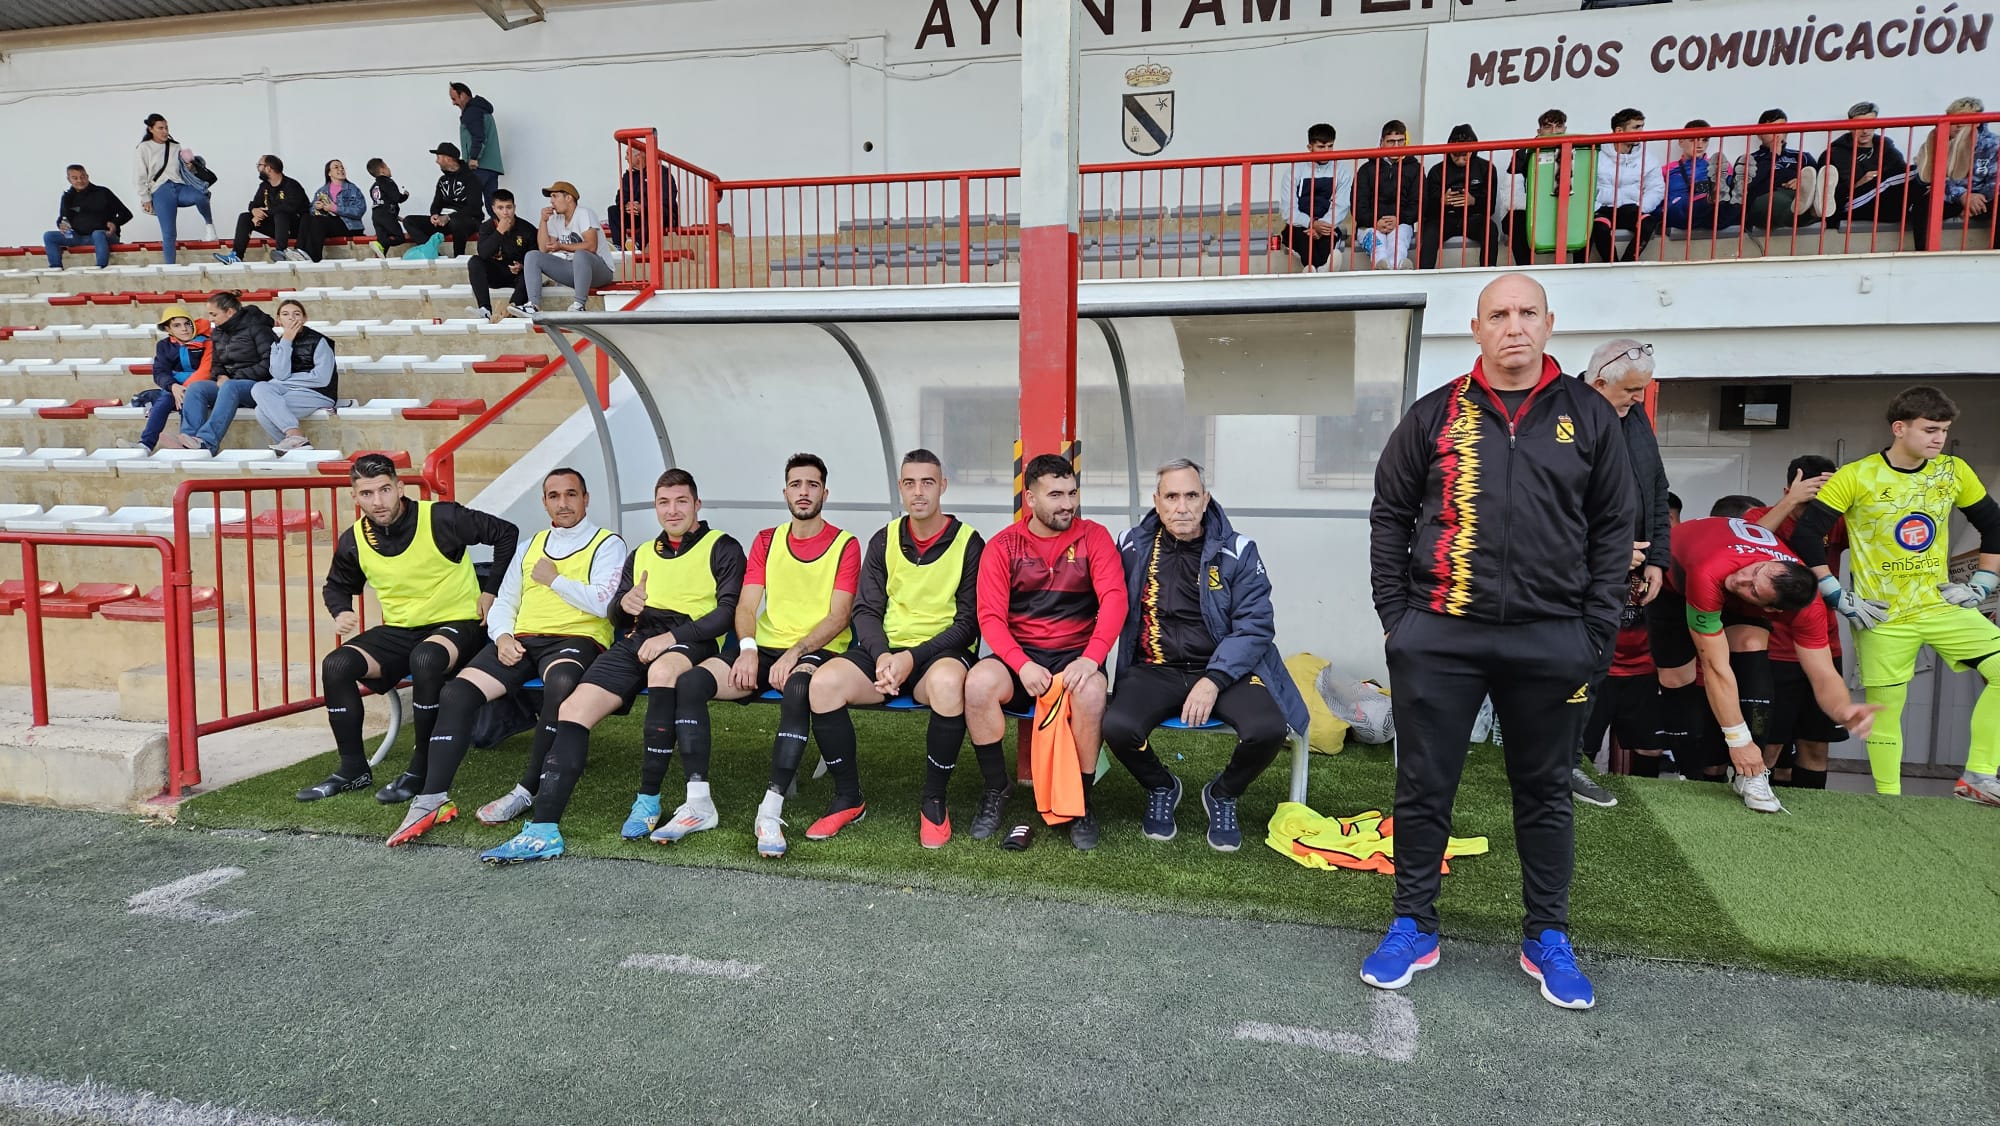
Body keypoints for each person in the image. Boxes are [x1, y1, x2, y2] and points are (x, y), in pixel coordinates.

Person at [1364, 273, 1636, 1010]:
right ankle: (1413, 923)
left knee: (1545, 791)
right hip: (1441, 636)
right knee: (1424, 789)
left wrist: (1595, 630)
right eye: (1498, 315)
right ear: (1476, 329)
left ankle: (1546, 934)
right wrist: (1400, 622)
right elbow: (1389, 515)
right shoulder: (1433, 415)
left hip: (1554, 640)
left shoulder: (1590, 415)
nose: (1513, 326)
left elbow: (1616, 528)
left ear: (1549, 324)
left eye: (1527, 313)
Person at [500, 470, 743, 865]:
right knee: (572, 710)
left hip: (692, 637)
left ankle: (648, 800)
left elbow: (728, 612)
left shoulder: (723, 546)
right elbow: (615, 613)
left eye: (682, 501)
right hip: (638, 638)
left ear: (697, 505)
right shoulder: (643, 552)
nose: (673, 510)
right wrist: (623, 606)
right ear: (656, 507)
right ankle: (543, 829)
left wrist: (673, 637)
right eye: (664, 502)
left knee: (664, 673)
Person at [390, 468, 625, 848]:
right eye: (553, 496)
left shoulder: (607, 543)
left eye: (571, 494)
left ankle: (527, 788)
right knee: (457, 693)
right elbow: (504, 601)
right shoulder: (531, 544)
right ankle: (432, 799)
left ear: (586, 498)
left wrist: (555, 580)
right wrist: (501, 637)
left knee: (561, 685)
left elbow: (603, 604)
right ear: (544, 501)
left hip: (577, 637)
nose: (563, 503)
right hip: (522, 640)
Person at [1790, 386, 2000, 803]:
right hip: (1881, 614)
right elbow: (1806, 534)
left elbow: (1994, 525)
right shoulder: (1857, 475)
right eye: (1930, 429)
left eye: (1943, 430)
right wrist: (1835, 593)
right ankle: (1889, 802)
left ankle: (1979, 775)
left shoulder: (1953, 471)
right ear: (1899, 428)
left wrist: (1982, 585)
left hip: (1939, 605)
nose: (1938, 438)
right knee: (1886, 714)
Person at [1104, 458, 1309, 851]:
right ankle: (1162, 785)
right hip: (1155, 668)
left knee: (1268, 729)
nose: (1182, 506)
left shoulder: (1239, 550)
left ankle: (1223, 793)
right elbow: (1102, 601)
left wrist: (1213, 681)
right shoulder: (1130, 545)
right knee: (1116, 725)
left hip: (1225, 670)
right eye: (1172, 496)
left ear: (1206, 499)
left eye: (1191, 495)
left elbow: (1255, 626)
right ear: (1157, 501)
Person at [302, 454, 518, 804]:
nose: (378, 501)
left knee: (426, 658)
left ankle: (421, 769)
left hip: (459, 621)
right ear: (355, 498)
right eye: (367, 493)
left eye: (385, 490)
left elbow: (506, 533)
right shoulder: (354, 539)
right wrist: (340, 609)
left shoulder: (442, 517)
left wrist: (491, 591)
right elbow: (336, 585)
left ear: (400, 488)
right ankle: (353, 769)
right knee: (336, 665)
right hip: (402, 630)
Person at [803, 450, 985, 847]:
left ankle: (933, 802)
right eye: (909, 483)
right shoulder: (884, 538)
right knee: (824, 683)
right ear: (900, 488)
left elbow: (969, 622)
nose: (918, 492)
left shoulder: (969, 542)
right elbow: (866, 609)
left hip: (937, 655)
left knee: (950, 684)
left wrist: (911, 659)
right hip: (884, 655)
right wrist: (884, 655)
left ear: (943, 487)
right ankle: (848, 798)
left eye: (927, 482)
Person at [1654, 516, 1880, 814]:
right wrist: (1738, 742)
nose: (1742, 580)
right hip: (1676, 580)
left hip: (1736, 592)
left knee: (1749, 643)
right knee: (1676, 677)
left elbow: (1823, 673)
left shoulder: (1808, 607)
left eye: (1754, 590)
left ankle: (1751, 774)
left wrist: (1842, 708)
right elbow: (1715, 667)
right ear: (1768, 563)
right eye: (1755, 572)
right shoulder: (1715, 572)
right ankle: (1692, 769)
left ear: (1773, 610)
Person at [964, 454, 1127, 852]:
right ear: (1030, 500)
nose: (1067, 503)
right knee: (979, 684)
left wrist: (1091, 658)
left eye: (1071, 493)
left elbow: (1115, 600)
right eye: (1055, 494)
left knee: (1090, 694)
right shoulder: (1003, 545)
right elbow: (990, 617)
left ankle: (1083, 800)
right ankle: (996, 790)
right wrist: (1021, 665)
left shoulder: (1095, 537)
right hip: (1021, 657)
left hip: (1076, 655)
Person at [714, 453, 862, 859]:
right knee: (690, 681)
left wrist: (796, 652)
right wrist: (746, 650)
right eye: (796, 484)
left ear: (825, 493)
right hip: (765, 647)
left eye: (812, 485)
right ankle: (695, 802)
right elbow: (745, 607)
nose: (804, 492)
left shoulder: (845, 543)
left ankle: (770, 808)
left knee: (799, 687)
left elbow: (839, 615)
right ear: (784, 492)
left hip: (820, 648)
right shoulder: (766, 539)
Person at [1572, 338, 1670, 806]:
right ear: (1598, 383)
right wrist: (1608, 550)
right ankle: (1561, 764)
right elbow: (1549, 507)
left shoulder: (1634, 417)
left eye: (1642, 390)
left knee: (1597, 667)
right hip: (1573, 576)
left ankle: (1568, 764)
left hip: (1623, 572)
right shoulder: (1562, 416)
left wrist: (1658, 558)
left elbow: (1655, 486)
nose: (1637, 399)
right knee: (1574, 669)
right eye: (1631, 390)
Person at [1747, 457, 1847, 789]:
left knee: (1816, 745)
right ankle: (1757, 803)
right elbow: (1750, 541)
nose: (1815, 510)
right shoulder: (1759, 518)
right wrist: (1791, 502)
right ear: (1789, 490)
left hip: (1823, 645)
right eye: (1808, 499)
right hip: (1774, 649)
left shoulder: (1834, 521)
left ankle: (1812, 822)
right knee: (1770, 746)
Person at [173, 292, 273, 454]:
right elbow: (217, 363)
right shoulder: (218, 332)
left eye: (214, 314)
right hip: (229, 385)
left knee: (231, 387)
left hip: (257, 387)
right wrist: (220, 376)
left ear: (230, 312)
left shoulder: (258, 328)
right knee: (197, 388)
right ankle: (189, 439)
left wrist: (234, 378)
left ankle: (207, 441)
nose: (210, 319)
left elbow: (269, 365)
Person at [1909, 97, 1999, 251]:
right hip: (1953, 197)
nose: (1959, 124)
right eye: (1954, 119)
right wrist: (1963, 196)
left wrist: (1973, 202)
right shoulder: (1937, 141)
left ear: (1978, 122)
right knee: (1923, 205)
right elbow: (1932, 179)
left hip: (1982, 199)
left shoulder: (1993, 144)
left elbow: (1995, 182)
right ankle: (1924, 254)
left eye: (1965, 119)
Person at [514, 181, 615, 316]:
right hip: (575, 271)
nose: (551, 201)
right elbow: (543, 248)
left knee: (581, 254)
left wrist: (561, 246)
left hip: (600, 271)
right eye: (551, 197)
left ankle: (579, 305)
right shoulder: (556, 219)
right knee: (532, 256)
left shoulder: (584, 213)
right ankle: (533, 305)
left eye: (555, 196)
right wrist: (543, 221)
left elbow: (591, 246)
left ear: (568, 198)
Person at [251, 299, 337, 453]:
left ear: (304, 319)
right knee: (259, 387)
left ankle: (294, 439)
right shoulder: (278, 343)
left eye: (296, 314)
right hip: (290, 391)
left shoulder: (319, 341)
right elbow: (279, 374)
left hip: (317, 393)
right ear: (278, 320)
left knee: (262, 411)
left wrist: (288, 381)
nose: (291, 318)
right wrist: (287, 341)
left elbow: (322, 378)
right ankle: (295, 442)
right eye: (285, 314)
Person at [123, 305, 210, 453]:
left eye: (187, 323)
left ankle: (188, 442)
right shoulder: (164, 346)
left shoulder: (205, 342)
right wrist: (173, 386)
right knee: (164, 400)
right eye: (177, 325)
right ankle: (145, 445)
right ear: (168, 330)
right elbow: (160, 372)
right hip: (175, 388)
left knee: (186, 399)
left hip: (199, 388)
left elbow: (207, 370)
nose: (184, 329)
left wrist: (184, 387)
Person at [132, 113, 215, 265]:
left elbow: (183, 171)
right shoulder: (144, 148)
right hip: (160, 190)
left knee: (201, 195)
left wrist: (190, 166)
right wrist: (145, 198)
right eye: (160, 128)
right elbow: (140, 176)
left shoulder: (175, 146)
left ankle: (209, 225)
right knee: (169, 233)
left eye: (166, 127)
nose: (164, 131)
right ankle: (170, 266)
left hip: (178, 185)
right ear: (151, 129)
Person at [1417, 124, 1503, 270]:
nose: (1461, 158)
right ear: (1449, 151)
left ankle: (1487, 273)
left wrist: (1472, 201)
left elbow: (1491, 207)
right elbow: (1427, 210)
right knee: (1429, 231)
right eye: (1456, 154)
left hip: (1473, 218)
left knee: (1490, 229)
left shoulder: (1486, 168)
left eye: (1465, 154)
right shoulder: (1437, 171)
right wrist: (1442, 201)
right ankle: (1424, 275)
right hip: (1444, 218)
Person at [1588, 108, 1665, 263]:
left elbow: (1656, 188)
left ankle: (1626, 264)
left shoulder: (1648, 158)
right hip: (1602, 208)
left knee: (1648, 224)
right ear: (1619, 131)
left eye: (1642, 126)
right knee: (1598, 228)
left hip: (1631, 207)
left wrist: (1641, 207)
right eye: (1636, 127)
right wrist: (1595, 206)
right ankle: (1613, 265)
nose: (1642, 131)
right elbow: (1586, 186)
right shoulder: (1596, 155)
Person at [1823, 102, 1912, 234]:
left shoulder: (1886, 146)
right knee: (1913, 173)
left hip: (1886, 203)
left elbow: (1902, 174)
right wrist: (1859, 184)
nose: (1865, 130)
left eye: (1869, 124)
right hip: (1853, 205)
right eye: (1859, 125)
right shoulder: (1834, 154)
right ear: (1849, 126)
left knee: (1916, 183)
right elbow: (1828, 195)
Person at [1737, 109, 1830, 230]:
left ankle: (1815, 207)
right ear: (1759, 134)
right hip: (1765, 199)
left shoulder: (1803, 156)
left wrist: (1802, 183)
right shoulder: (1749, 159)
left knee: (1813, 188)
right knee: (1777, 201)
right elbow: (1746, 187)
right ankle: (1812, 211)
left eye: (1781, 129)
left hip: (1797, 195)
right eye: (1770, 130)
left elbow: (1814, 178)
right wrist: (1773, 155)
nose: (1777, 134)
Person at [1278, 123, 1351, 274]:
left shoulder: (1342, 171)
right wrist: (1311, 223)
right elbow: (1288, 210)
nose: (1326, 151)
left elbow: (1341, 205)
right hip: (1299, 227)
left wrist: (1321, 225)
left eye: (1330, 146)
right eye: (1321, 147)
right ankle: (1322, 269)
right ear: (1309, 147)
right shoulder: (1294, 170)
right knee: (1302, 238)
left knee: (1327, 237)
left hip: (1327, 226)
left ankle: (1311, 271)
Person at [213, 155, 309, 265]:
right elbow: (255, 203)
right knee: (245, 217)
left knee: (281, 214)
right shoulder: (265, 186)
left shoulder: (291, 185)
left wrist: (263, 213)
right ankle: (236, 256)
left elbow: (289, 208)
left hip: (296, 228)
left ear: (268, 168)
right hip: (277, 227)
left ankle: (281, 252)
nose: (258, 169)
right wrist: (254, 211)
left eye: (259, 165)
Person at [1352, 119, 1421, 270]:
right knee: (1378, 248)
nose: (1396, 146)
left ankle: (1397, 266)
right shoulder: (1366, 170)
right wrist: (1375, 221)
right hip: (1369, 225)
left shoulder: (1415, 168)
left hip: (1401, 222)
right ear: (1381, 142)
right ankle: (1385, 268)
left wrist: (1399, 219)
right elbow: (1358, 204)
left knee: (1399, 241)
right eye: (1391, 142)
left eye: (1400, 141)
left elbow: (1419, 203)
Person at [1506, 108, 1569, 266]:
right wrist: (1537, 208)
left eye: (1559, 126)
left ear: (1565, 129)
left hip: (1566, 208)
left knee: (1588, 218)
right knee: (1515, 219)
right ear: (1539, 131)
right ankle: (1526, 269)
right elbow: (1512, 194)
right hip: (1532, 210)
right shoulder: (1522, 154)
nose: (1554, 132)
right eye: (1548, 127)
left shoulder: (1579, 150)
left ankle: (1580, 270)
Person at [44, 165, 133, 270]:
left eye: (82, 177)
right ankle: (55, 268)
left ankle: (101, 267)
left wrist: (114, 223)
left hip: (104, 236)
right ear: (69, 179)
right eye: (75, 178)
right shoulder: (68, 197)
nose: (80, 180)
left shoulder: (103, 192)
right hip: (78, 237)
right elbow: (64, 218)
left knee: (97, 234)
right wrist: (63, 226)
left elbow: (126, 214)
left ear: (87, 176)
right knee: (49, 236)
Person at [402, 143, 482, 258]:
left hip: (467, 221)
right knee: (409, 221)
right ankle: (433, 253)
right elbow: (436, 203)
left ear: (448, 158)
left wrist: (449, 217)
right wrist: (434, 215)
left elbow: (474, 208)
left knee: (457, 222)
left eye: (438, 157)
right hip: (445, 222)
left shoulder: (471, 179)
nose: (437, 161)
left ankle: (458, 257)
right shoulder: (442, 180)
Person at [1660, 122, 1740, 237]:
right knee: (1678, 205)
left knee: (1730, 185)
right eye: (1693, 140)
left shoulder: (1721, 165)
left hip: (1714, 215)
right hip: (1681, 214)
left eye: (1705, 140)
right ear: (1681, 141)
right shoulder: (1666, 170)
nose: (1700, 145)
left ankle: (1714, 196)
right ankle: (1709, 197)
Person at [467, 189, 534, 321]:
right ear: (493, 209)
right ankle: (485, 309)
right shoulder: (486, 227)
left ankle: (513, 307)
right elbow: (483, 253)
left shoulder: (527, 229)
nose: (505, 212)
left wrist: (522, 266)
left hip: (518, 275)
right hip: (496, 273)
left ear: (514, 207)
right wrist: (499, 231)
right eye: (500, 208)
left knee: (528, 272)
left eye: (508, 207)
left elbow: (534, 256)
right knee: (474, 261)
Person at [450, 82, 506, 217]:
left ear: (463, 95)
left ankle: (475, 232)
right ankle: (502, 233)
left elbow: (478, 136)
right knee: (493, 207)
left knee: (467, 199)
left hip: (480, 166)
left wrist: (473, 157)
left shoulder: (472, 111)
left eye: (454, 98)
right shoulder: (482, 110)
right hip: (492, 167)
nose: (453, 103)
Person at [607, 144, 679, 249]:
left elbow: (667, 199)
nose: (625, 158)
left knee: (655, 212)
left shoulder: (662, 173)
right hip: (637, 215)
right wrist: (628, 205)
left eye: (628, 154)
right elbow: (620, 197)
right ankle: (619, 246)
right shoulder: (628, 176)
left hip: (662, 216)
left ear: (639, 156)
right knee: (613, 210)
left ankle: (636, 244)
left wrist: (643, 207)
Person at [298, 160, 366, 263]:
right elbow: (311, 209)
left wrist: (335, 208)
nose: (341, 169)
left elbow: (359, 211)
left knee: (319, 220)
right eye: (336, 167)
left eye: (342, 167)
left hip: (348, 226)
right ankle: (300, 252)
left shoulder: (352, 189)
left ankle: (313, 258)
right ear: (329, 173)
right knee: (306, 218)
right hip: (328, 225)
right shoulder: (322, 191)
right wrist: (316, 207)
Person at [365, 158, 409, 255]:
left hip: (376, 217)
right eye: (387, 167)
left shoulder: (373, 187)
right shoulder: (388, 182)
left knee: (383, 245)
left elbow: (382, 202)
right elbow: (397, 198)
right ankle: (379, 244)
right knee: (399, 238)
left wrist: (395, 216)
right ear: (382, 169)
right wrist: (405, 195)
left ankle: (379, 259)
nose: (389, 169)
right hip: (387, 216)